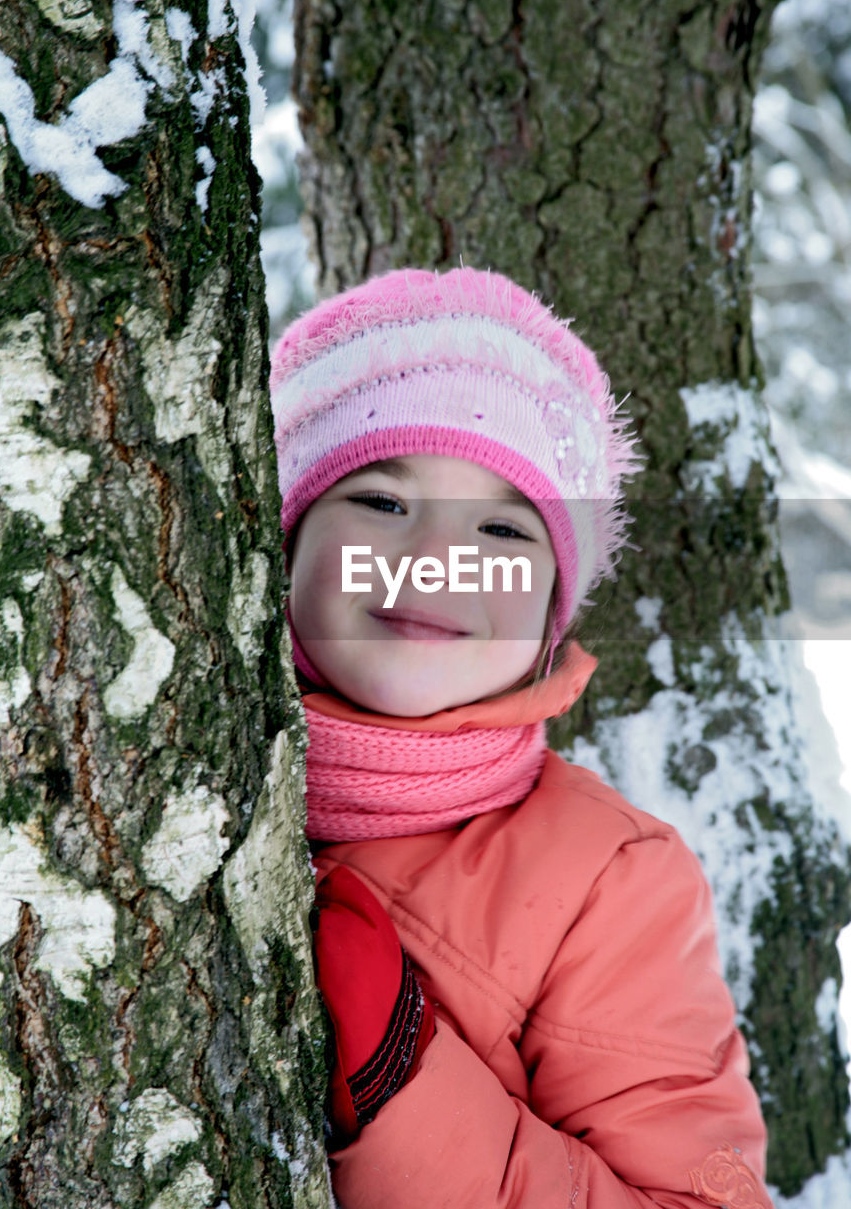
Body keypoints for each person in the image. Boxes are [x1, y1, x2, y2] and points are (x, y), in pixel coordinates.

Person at [269, 266, 774, 1208]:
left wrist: (402, 1083)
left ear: (549, 611)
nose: (434, 560)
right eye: (381, 502)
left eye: (503, 530)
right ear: (283, 540)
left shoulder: (610, 881)